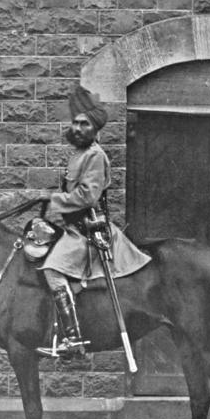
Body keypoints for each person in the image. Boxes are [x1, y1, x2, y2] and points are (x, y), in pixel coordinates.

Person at [36, 84, 151, 358]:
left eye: (84, 124)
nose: (77, 128)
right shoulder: (79, 154)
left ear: (95, 128)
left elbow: (87, 196)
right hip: (72, 228)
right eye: (75, 123)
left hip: (87, 232)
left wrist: (54, 199)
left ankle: (73, 339)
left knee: (52, 271)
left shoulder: (96, 156)